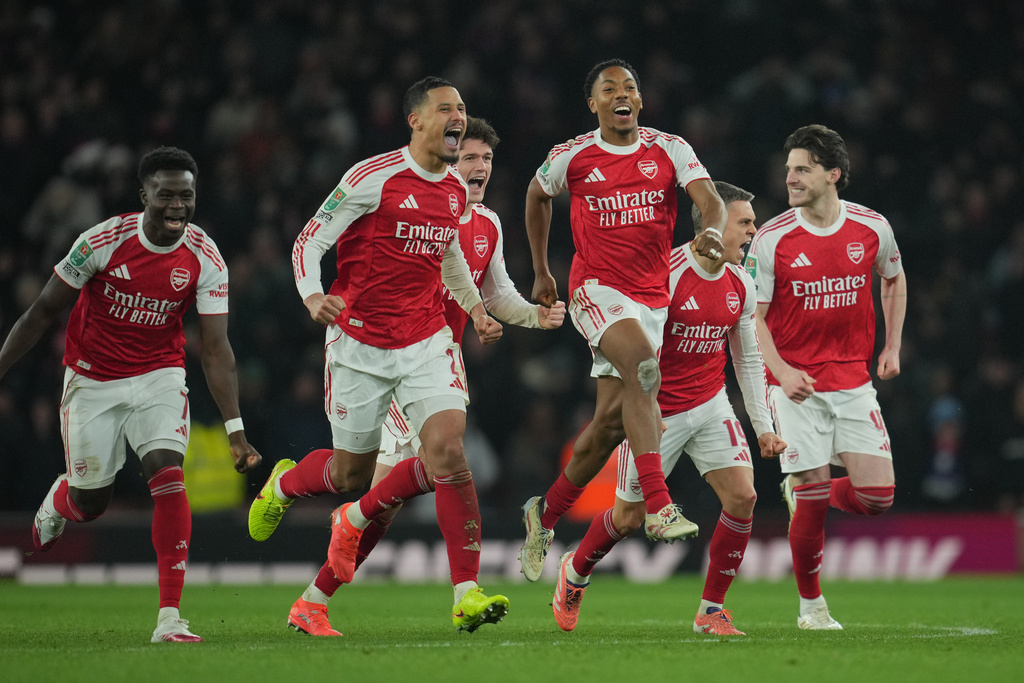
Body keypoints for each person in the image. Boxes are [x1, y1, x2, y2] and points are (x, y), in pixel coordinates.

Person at [247, 77, 511, 633]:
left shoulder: (455, 191)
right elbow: (310, 240)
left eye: (462, 108)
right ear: (416, 120)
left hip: (425, 340)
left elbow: (448, 258)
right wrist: (312, 295)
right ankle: (286, 484)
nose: (458, 117)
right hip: (360, 344)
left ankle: (465, 592)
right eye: (446, 108)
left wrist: (476, 308)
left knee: (449, 452)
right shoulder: (372, 177)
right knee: (351, 475)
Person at [285, 116, 566, 636]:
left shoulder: (488, 224)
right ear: (447, 162)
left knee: (433, 469)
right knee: (379, 482)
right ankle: (302, 505)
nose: (479, 167)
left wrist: (533, 316)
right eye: (470, 157)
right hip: (386, 352)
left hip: (435, 358)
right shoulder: (409, 204)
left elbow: (497, 293)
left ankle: (330, 594)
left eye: (486, 159)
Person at [0, 146, 262, 643]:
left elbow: (215, 348)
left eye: (186, 196)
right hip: (92, 379)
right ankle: (60, 501)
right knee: (91, 503)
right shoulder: (102, 242)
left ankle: (170, 618)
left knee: (168, 474)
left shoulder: (205, 256)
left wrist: (236, 430)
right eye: (166, 195)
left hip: (159, 374)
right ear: (144, 196)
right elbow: (40, 313)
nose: (177, 206)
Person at [519, 58, 728, 581]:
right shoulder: (572, 156)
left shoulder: (669, 149)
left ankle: (543, 516)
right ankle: (659, 504)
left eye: (629, 86)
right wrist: (542, 270)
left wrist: (710, 232)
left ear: (639, 99)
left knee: (609, 426)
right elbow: (537, 195)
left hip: (651, 299)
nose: (621, 94)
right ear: (593, 104)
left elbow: (711, 202)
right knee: (643, 368)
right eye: (609, 88)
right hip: (595, 290)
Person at [549, 181, 786, 634]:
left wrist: (763, 427)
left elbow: (748, 359)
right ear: (713, 224)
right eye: (745, 222)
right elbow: (629, 353)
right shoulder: (664, 276)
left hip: (710, 402)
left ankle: (711, 611)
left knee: (744, 497)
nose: (753, 231)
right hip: (656, 414)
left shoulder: (741, 283)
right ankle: (574, 572)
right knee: (628, 518)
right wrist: (638, 408)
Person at [746, 124, 906, 629]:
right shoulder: (772, 238)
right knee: (814, 496)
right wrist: (781, 371)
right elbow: (752, 317)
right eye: (788, 169)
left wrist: (892, 345)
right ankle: (812, 608)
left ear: (833, 174)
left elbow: (893, 277)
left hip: (853, 381)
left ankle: (802, 493)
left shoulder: (871, 227)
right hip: (794, 387)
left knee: (877, 497)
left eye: (802, 169)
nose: (790, 178)